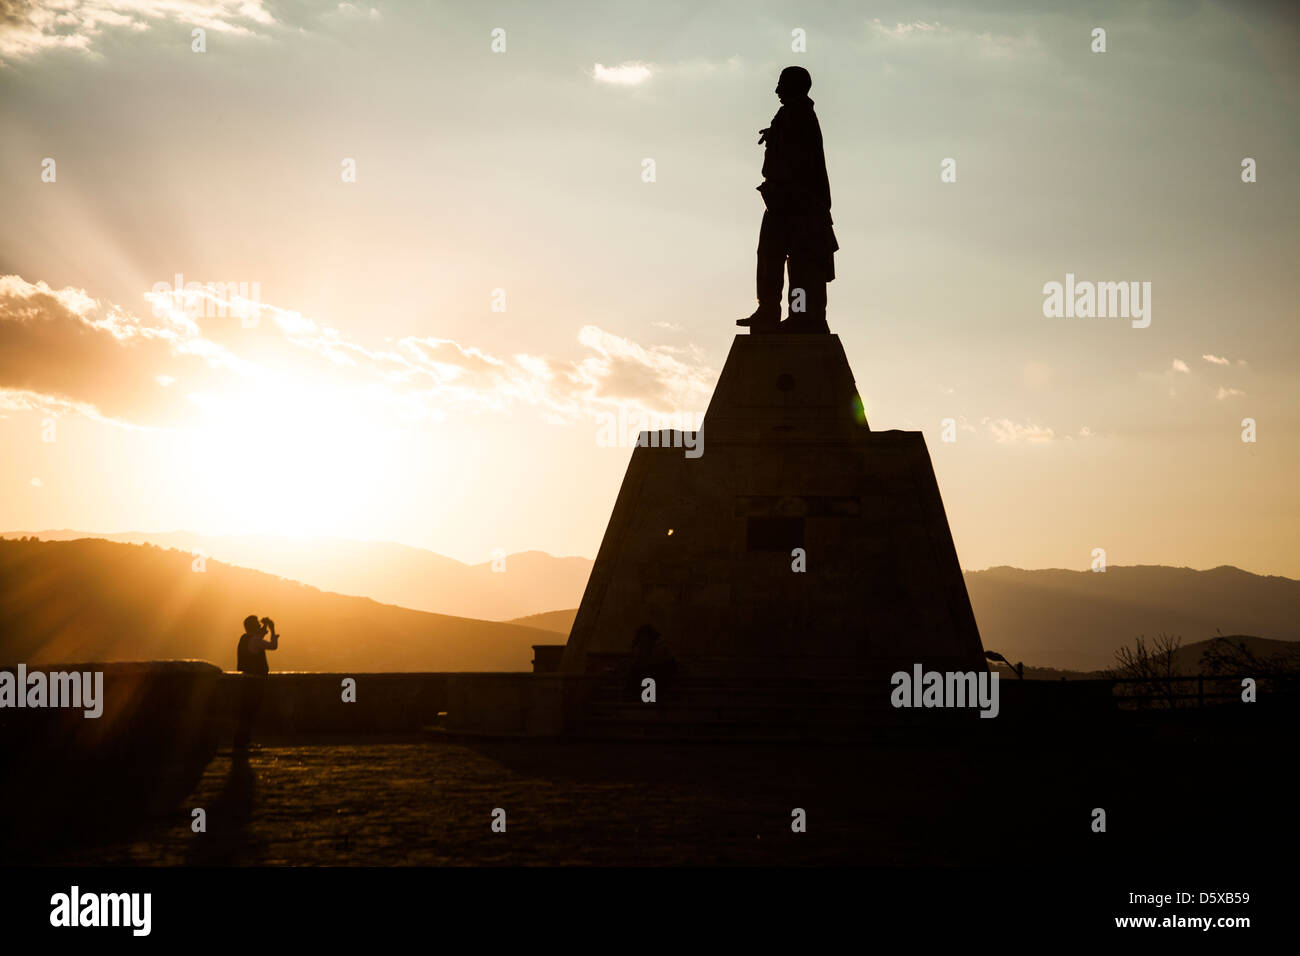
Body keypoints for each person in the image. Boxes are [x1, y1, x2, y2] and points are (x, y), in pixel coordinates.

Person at [737, 66, 839, 334]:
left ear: (795, 86)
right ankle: (770, 310)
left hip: (797, 205)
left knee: (799, 260)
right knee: (771, 255)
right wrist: (773, 135)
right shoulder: (790, 114)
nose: (777, 90)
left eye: (781, 84)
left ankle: (800, 316)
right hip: (784, 202)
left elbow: (801, 161)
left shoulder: (800, 114)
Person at [234, 614, 279, 749]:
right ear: (254, 626)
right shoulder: (255, 640)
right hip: (256, 681)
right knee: (251, 711)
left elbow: (255, 643)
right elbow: (272, 646)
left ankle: (241, 741)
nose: (260, 626)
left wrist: (263, 630)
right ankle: (243, 741)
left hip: (246, 679)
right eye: (258, 625)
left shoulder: (244, 638)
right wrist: (272, 630)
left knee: (245, 711)